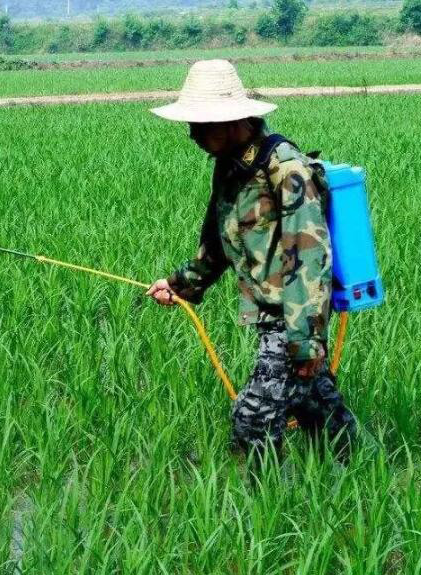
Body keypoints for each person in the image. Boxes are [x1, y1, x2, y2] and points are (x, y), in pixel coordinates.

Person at [146, 59, 356, 461]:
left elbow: (309, 259)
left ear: (232, 121)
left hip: (292, 318)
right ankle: (351, 470)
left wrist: (306, 341)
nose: (191, 134)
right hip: (275, 316)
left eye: (200, 125)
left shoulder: (286, 168)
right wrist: (179, 285)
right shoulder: (230, 168)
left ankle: (265, 509)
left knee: (253, 418)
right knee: (316, 406)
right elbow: (219, 243)